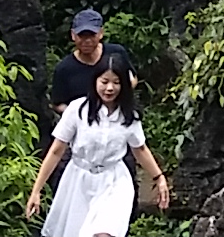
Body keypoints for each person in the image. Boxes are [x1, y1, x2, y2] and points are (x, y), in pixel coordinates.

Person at [24, 61, 167, 235]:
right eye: (104, 81)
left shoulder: (129, 115)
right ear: (95, 82)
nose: (109, 88)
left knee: (104, 233)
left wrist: (159, 178)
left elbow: (140, 149)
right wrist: (36, 191)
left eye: (116, 82)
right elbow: (56, 150)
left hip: (114, 181)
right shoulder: (78, 109)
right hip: (78, 181)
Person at [49, 11, 136, 125]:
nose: (87, 41)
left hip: (119, 120)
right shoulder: (64, 69)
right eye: (82, 36)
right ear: (73, 35)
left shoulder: (116, 53)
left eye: (91, 35)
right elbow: (57, 103)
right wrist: (80, 115)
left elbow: (132, 79)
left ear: (101, 33)